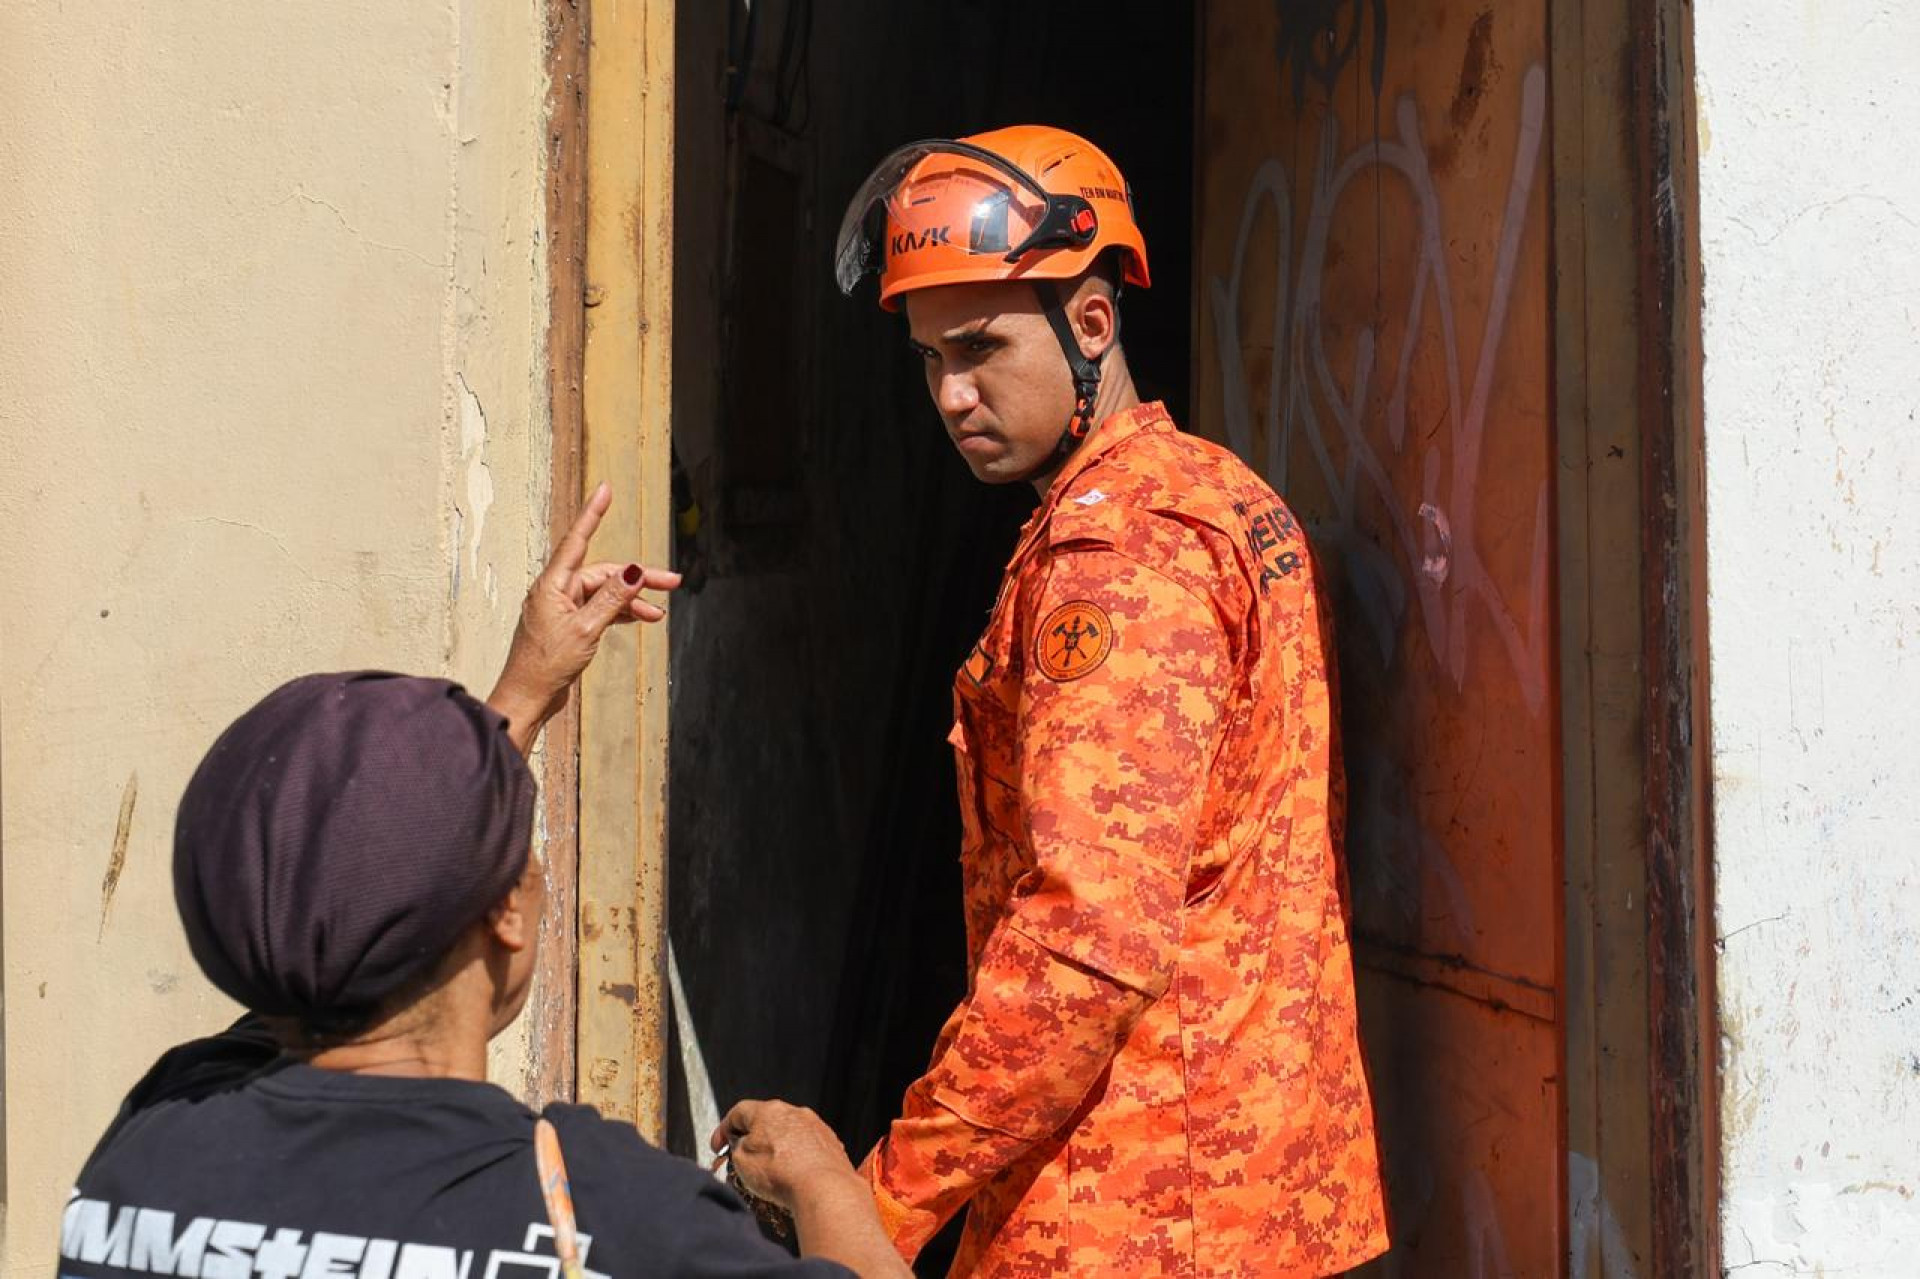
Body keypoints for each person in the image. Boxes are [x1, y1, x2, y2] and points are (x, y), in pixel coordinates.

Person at [61, 484, 910, 1279]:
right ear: (504, 909)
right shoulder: (603, 1220)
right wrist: (823, 1182)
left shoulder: (147, 1154)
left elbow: (344, 881)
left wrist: (526, 690)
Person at [819, 127, 1391, 1275]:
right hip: (1270, 1192)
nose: (952, 394)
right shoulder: (1223, 495)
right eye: (931, 359)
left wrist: (874, 1201)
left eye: (980, 347)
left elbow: (1087, 939)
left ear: (1091, 322)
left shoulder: (1115, 558)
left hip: (1137, 1214)